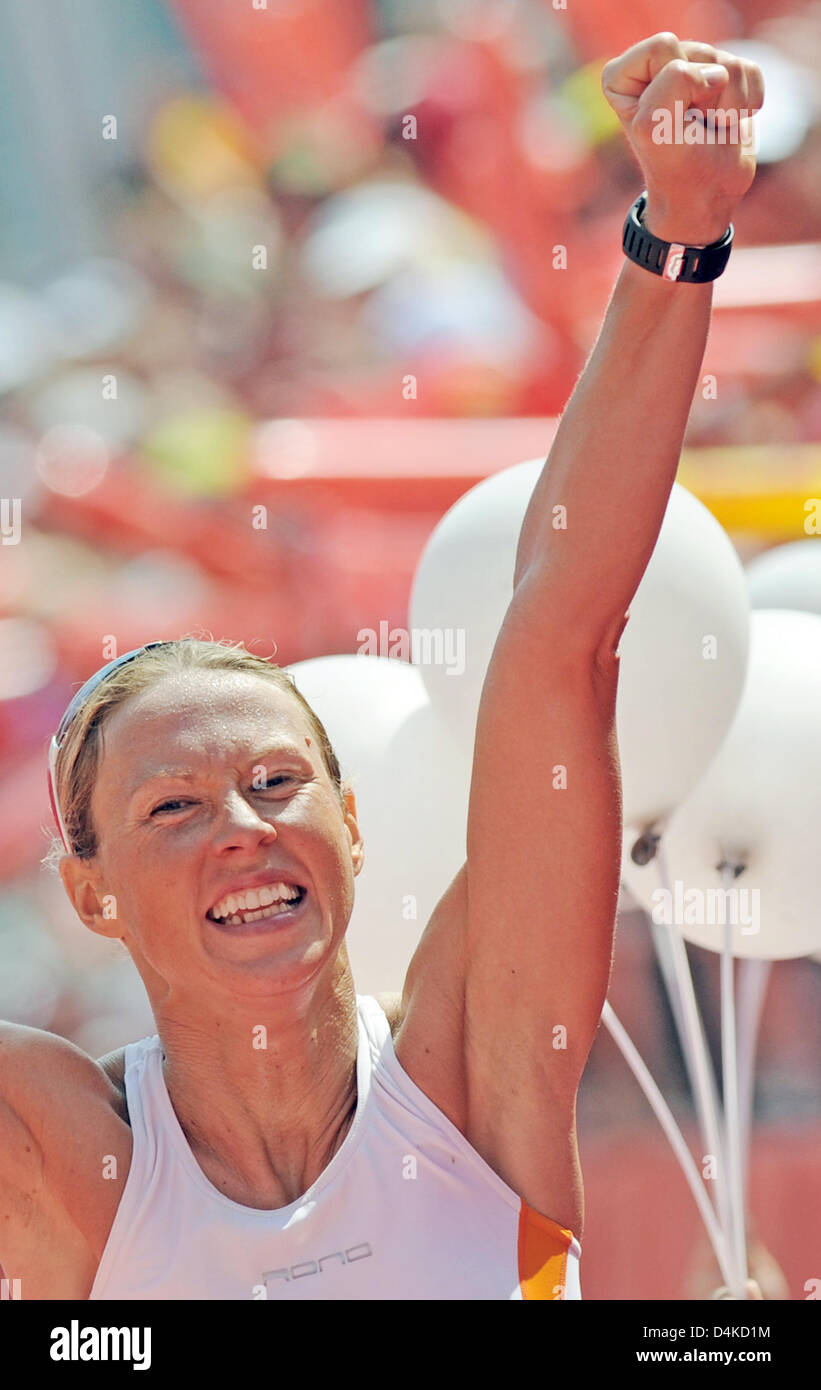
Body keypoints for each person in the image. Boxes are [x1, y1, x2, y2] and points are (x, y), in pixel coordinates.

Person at [0, 33, 764, 1300]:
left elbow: (560, 629)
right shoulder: (73, 1160)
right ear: (93, 897)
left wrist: (678, 234)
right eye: (174, 807)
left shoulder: (475, 1082)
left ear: (352, 826)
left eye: (275, 782)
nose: (242, 828)